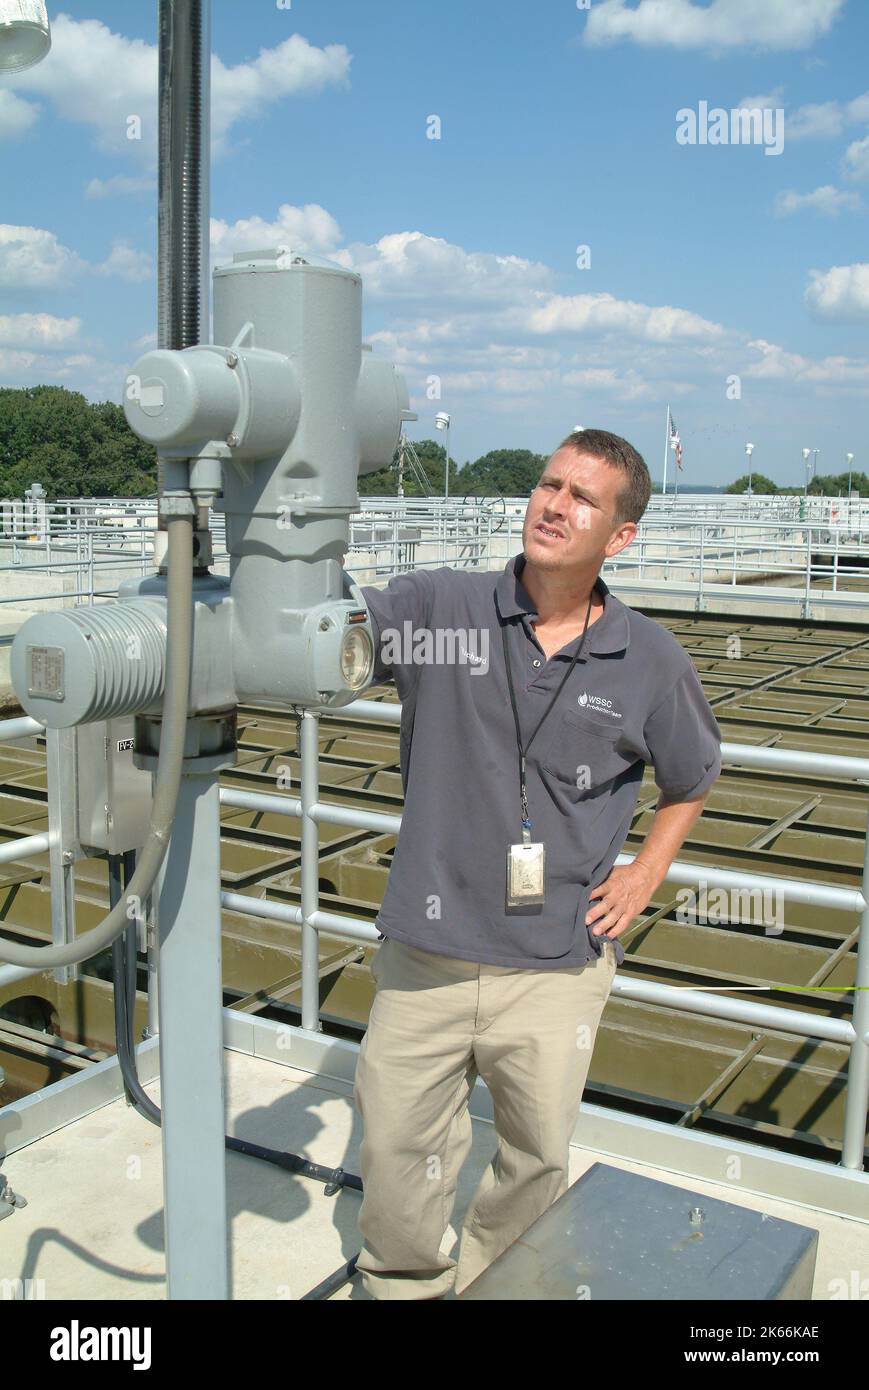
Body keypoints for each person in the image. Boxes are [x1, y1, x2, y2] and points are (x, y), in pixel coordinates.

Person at [352, 427, 722, 1299]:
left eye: (582, 498)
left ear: (619, 535)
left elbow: (690, 778)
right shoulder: (439, 610)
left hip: (555, 967)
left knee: (533, 1162)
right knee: (394, 1150)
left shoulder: (649, 661)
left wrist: (643, 875)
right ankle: (403, 1284)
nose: (554, 506)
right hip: (425, 958)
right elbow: (320, 626)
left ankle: (498, 1289)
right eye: (548, 485)